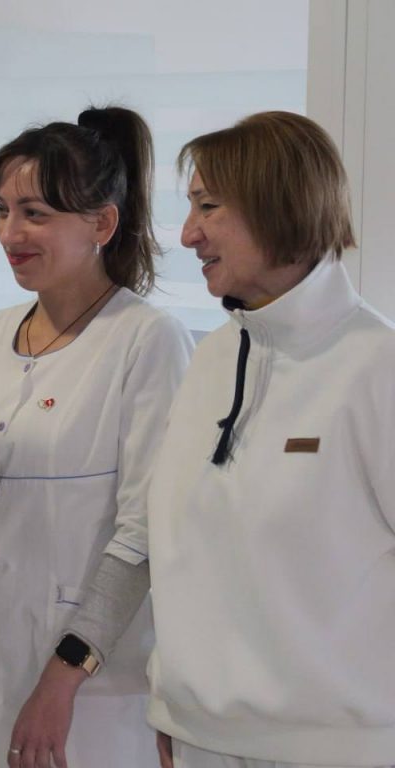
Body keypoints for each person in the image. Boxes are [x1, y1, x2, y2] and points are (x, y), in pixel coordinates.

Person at [0, 108, 194, 768]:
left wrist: (62, 679)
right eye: (2, 210)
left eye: (35, 214)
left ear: (101, 224)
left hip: (83, 694)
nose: (9, 233)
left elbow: (142, 536)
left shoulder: (146, 341)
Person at [147, 112, 394, 768]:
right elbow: (187, 552)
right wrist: (174, 705)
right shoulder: (211, 359)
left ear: (279, 205)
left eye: (208, 206)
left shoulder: (377, 368)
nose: (188, 233)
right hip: (200, 741)